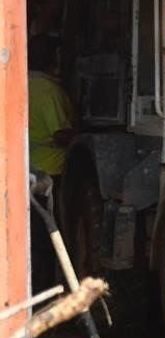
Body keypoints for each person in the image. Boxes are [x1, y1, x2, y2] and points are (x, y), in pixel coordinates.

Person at [27, 34, 75, 292]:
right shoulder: (48, 90)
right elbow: (60, 135)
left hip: (26, 170)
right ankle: (45, 294)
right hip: (50, 175)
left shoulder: (18, 83)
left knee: (30, 239)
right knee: (48, 239)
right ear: (54, 59)